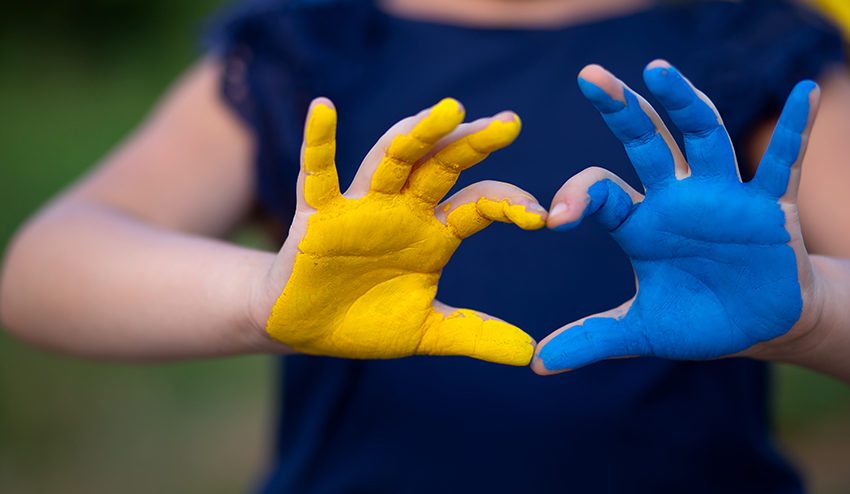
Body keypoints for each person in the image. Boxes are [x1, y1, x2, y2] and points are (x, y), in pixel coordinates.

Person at [1, 0, 849, 492]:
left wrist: (809, 314)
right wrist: (264, 296)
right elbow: (46, 267)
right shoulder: (314, 43)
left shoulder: (750, 43)